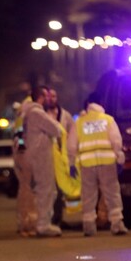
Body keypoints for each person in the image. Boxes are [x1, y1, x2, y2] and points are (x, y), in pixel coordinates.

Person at [68, 92, 128, 236]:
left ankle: (88, 225)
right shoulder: (107, 120)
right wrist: (119, 159)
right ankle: (117, 224)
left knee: (88, 195)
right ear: (101, 103)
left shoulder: (80, 122)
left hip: (87, 164)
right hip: (107, 162)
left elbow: (71, 146)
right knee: (112, 194)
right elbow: (116, 141)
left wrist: (71, 163)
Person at [21, 85, 63, 237]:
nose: (48, 99)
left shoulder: (28, 113)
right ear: (40, 97)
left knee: (43, 189)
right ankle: (43, 224)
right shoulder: (37, 113)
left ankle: (43, 222)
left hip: (34, 154)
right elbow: (56, 129)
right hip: (41, 155)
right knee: (46, 189)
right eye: (45, 96)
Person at [44, 87, 76, 227]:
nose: (51, 99)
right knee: (48, 189)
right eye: (49, 97)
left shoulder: (65, 115)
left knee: (60, 188)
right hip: (46, 157)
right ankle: (48, 219)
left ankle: (58, 217)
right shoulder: (41, 114)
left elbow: (72, 134)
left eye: (54, 96)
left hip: (62, 158)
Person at [12, 97, 37, 236]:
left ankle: (24, 222)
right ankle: (28, 224)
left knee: (24, 190)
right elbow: (20, 139)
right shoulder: (25, 117)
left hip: (21, 156)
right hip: (25, 157)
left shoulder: (20, 117)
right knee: (28, 191)